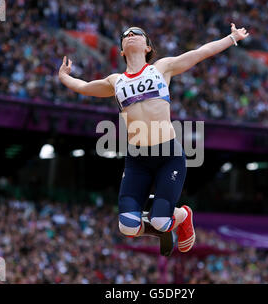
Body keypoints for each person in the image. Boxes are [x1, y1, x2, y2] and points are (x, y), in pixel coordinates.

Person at [59, 23, 249, 253]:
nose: (129, 35)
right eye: (125, 35)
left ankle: (182, 215)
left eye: (136, 33)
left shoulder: (161, 68)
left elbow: (200, 53)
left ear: (147, 46)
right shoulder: (115, 81)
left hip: (168, 155)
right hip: (137, 158)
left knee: (161, 220)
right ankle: (163, 226)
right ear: (121, 50)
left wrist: (232, 37)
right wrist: (64, 77)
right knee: (127, 226)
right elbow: (85, 86)